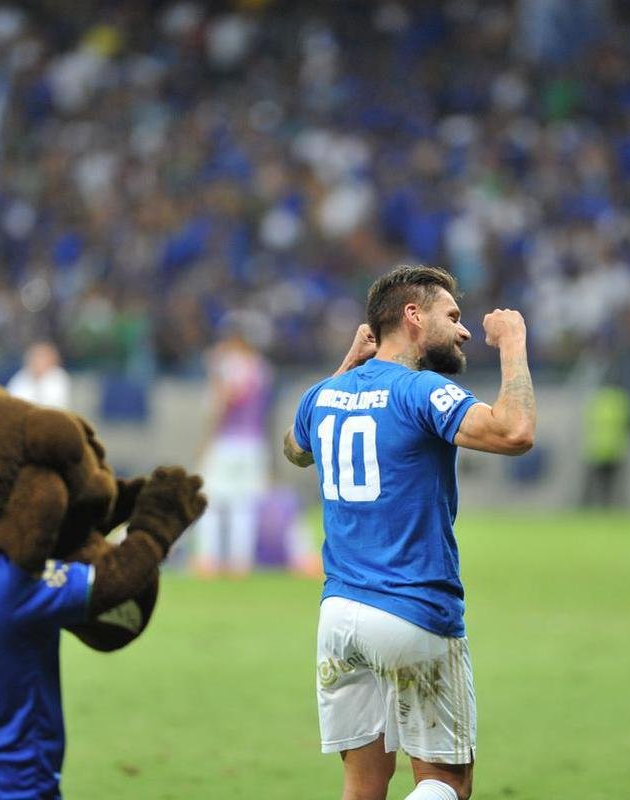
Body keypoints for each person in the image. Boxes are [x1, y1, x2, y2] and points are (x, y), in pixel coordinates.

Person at [283, 265, 536, 800]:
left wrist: (348, 367)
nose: (464, 331)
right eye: (453, 316)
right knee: (446, 782)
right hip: (411, 612)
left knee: (363, 786)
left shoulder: (322, 396)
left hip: (338, 619)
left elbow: (294, 447)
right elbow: (515, 432)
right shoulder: (422, 391)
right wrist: (513, 343)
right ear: (413, 317)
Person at [191, 321, 274, 577]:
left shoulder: (229, 365)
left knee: (211, 502)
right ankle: (240, 561)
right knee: (244, 506)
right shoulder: (262, 368)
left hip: (228, 442)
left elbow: (223, 402)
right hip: (254, 442)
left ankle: (208, 558)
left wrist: (205, 441)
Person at [4, 341, 71, 409]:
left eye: (42, 356)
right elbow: (13, 401)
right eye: (35, 356)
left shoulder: (58, 376)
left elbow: (54, 405)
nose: (37, 361)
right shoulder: (21, 376)